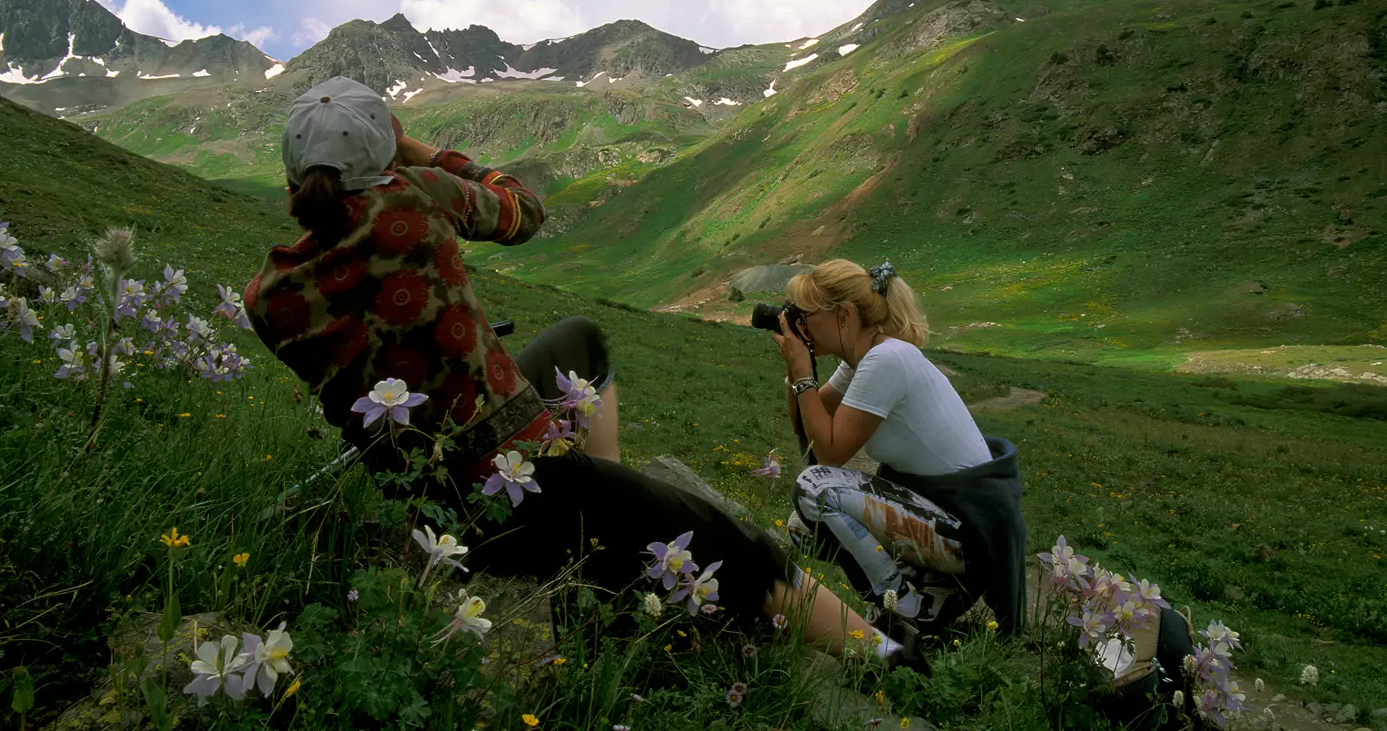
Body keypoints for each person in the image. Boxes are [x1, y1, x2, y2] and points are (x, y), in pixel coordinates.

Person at [243, 77, 917, 665]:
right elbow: (522, 208)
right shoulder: (415, 197)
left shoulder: (266, 296)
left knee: (576, 340)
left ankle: (607, 508)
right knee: (736, 542)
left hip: (417, 490)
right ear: (387, 158)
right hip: (505, 491)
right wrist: (419, 152)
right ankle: (885, 657)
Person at [771, 259, 1027, 637]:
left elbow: (829, 452)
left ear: (843, 315)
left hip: (969, 530)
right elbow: (806, 422)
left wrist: (805, 375)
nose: (801, 325)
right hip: (944, 515)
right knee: (801, 526)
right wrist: (798, 371)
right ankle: (934, 591)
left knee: (815, 488)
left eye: (806, 315)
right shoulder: (861, 356)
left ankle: (912, 608)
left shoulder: (885, 360)